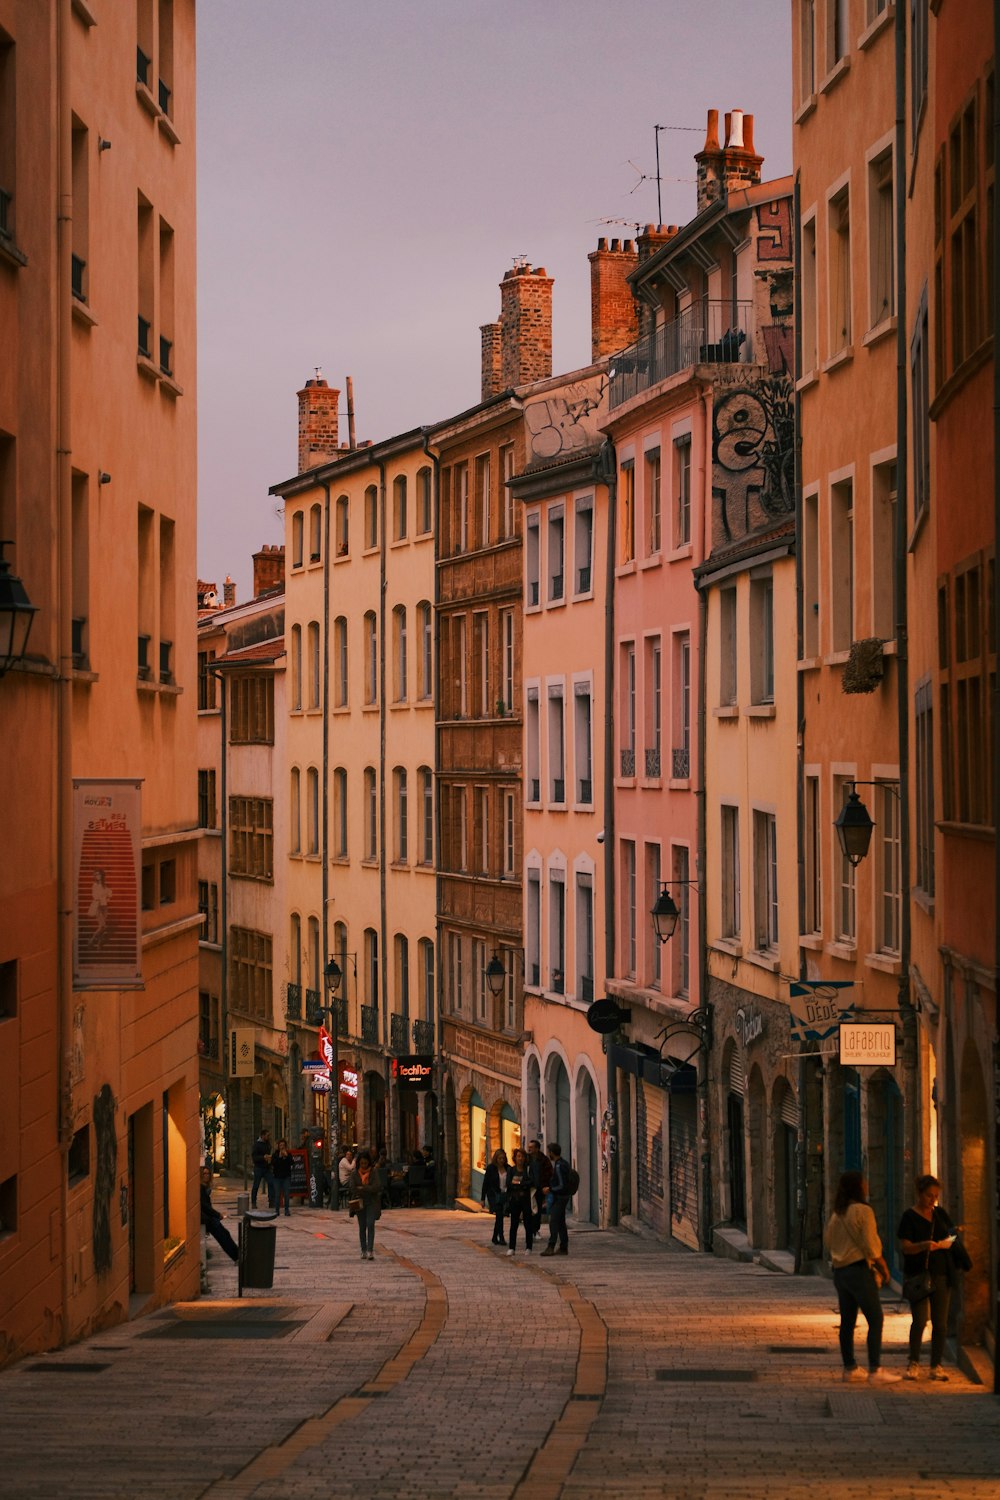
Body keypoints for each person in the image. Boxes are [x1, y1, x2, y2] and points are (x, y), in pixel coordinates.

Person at [825, 1170, 900, 1383]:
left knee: (847, 1321)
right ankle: (875, 1369)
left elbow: (828, 1243)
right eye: (864, 1182)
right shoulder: (863, 1211)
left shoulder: (837, 1213)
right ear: (858, 1187)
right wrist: (883, 1266)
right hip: (858, 1271)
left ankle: (850, 1368)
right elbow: (870, 1243)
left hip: (840, 1273)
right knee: (875, 1319)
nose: (867, 1185)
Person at [898, 1174, 959, 1382]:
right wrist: (924, 1245)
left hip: (941, 1274)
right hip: (918, 1275)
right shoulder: (909, 1217)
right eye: (928, 1196)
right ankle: (913, 1362)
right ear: (919, 1194)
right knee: (920, 1320)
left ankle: (936, 1365)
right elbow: (905, 1247)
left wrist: (950, 1237)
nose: (932, 1200)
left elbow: (952, 1235)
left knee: (941, 1324)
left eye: (935, 1196)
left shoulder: (940, 1214)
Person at [347, 1149, 382, 1260]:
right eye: (361, 1163)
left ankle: (370, 1250)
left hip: (371, 1202)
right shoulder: (354, 1173)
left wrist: (363, 1188)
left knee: (370, 1224)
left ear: (369, 1162)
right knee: (362, 1226)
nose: (363, 1165)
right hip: (359, 1203)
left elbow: (377, 1186)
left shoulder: (373, 1172)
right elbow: (352, 1188)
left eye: (365, 1163)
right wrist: (366, 1189)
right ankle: (363, 1250)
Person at [200, 1166, 238, 1262]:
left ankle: (237, 1255)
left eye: (208, 1173)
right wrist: (218, 1215)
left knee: (225, 1234)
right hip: (207, 1218)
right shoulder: (200, 1188)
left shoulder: (204, 1188)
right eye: (204, 1173)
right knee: (222, 1236)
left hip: (209, 1217)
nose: (206, 1176)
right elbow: (205, 1206)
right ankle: (237, 1256)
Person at [539, 1142, 570, 1257]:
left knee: (554, 1221)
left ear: (552, 1152)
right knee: (561, 1222)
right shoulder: (564, 1163)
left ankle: (551, 1246)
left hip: (560, 1197)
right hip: (564, 1196)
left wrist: (550, 1189)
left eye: (549, 1152)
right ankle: (563, 1246)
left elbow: (561, 1185)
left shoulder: (558, 1166)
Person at [506, 1147, 534, 1256]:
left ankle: (529, 1247)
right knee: (514, 1224)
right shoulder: (511, 1170)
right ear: (515, 1158)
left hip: (526, 1200)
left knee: (528, 1224)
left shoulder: (528, 1170)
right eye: (518, 1156)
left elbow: (531, 1182)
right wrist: (521, 1183)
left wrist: (518, 1183)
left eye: (522, 1156)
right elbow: (509, 1183)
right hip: (514, 1200)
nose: (520, 1159)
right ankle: (512, 1247)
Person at [481, 1148, 510, 1246]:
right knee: (499, 1215)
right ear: (496, 1159)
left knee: (500, 1216)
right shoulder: (491, 1168)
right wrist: (482, 1199)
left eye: (503, 1158)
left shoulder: (508, 1168)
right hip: (494, 1195)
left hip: (504, 1195)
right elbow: (485, 1183)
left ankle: (494, 1237)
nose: (502, 1160)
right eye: (500, 1158)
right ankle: (501, 1237)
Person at [527, 1138, 552, 1235]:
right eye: (529, 1147)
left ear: (537, 1149)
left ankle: (535, 1229)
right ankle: (530, 1229)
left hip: (539, 1188)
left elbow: (549, 1174)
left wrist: (545, 1187)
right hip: (528, 1188)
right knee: (529, 1210)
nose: (529, 1149)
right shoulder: (527, 1159)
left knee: (537, 1210)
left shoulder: (543, 1160)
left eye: (531, 1148)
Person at [86, 869, 112, 947]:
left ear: (102, 875)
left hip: (104, 906)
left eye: (99, 874)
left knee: (102, 927)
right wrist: (103, 896)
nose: (97, 876)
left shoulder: (105, 885)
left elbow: (109, 894)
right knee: (103, 926)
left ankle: (99, 944)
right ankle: (92, 940)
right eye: (96, 875)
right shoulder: (95, 885)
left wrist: (106, 897)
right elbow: (95, 896)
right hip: (98, 906)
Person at [251, 1128, 273, 1208]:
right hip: (259, 1167)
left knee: (271, 1183)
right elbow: (254, 1157)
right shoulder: (257, 1145)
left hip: (266, 1167)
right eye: (267, 1136)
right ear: (262, 1136)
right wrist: (263, 1157)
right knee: (256, 1185)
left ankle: (271, 1201)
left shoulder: (268, 1143)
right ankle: (253, 1202)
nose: (268, 1137)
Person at [271, 1137, 293, 1216]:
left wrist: (286, 1157)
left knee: (286, 1194)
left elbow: (291, 1163)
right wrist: (280, 1157)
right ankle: (277, 1210)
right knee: (277, 1194)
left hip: (286, 1177)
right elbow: (274, 1164)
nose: (282, 1147)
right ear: (278, 1146)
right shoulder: (275, 1155)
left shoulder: (288, 1154)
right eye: (280, 1145)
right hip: (277, 1177)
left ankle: (286, 1210)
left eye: (283, 1145)